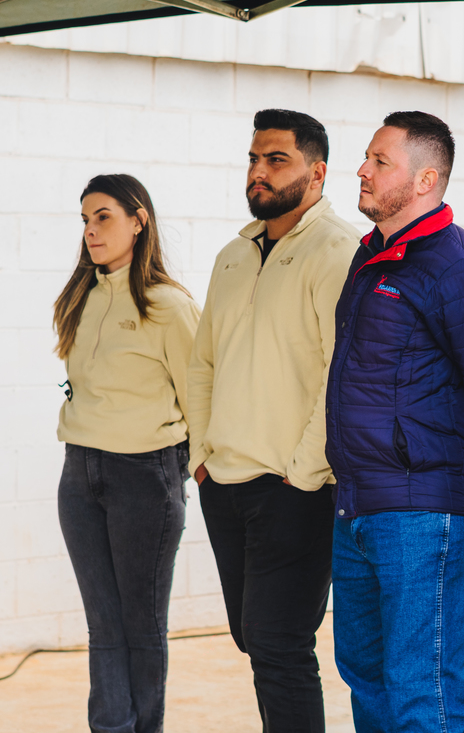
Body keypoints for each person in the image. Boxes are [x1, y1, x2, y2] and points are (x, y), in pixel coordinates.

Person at [324, 111, 464, 733]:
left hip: (421, 511)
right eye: (367, 157)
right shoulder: (373, 258)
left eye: (380, 161)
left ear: (426, 179)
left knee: (423, 695)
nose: (362, 169)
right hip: (357, 502)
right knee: (365, 677)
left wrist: (453, 469)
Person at [188, 109, 358, 731]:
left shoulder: (337, 251)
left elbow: (339, 374)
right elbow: (202, 363)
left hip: (294, 488)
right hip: (224, 482)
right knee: (253, 637)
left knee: (280, 644)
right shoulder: (233, 254)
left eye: (276, 160)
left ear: (317, 172)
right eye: (254, 159)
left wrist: (303, 473)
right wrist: (201, 459)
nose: (259, 172)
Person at [53, 174, 199, 733]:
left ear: (139, 221)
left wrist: (182, 473)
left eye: (103, 217)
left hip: (144, 477)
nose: (91, 231)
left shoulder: (169, 306)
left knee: (141, 626)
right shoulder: (81, 298)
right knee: (104, 626)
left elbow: (200, 398)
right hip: (79, 473)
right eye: (85, 220)